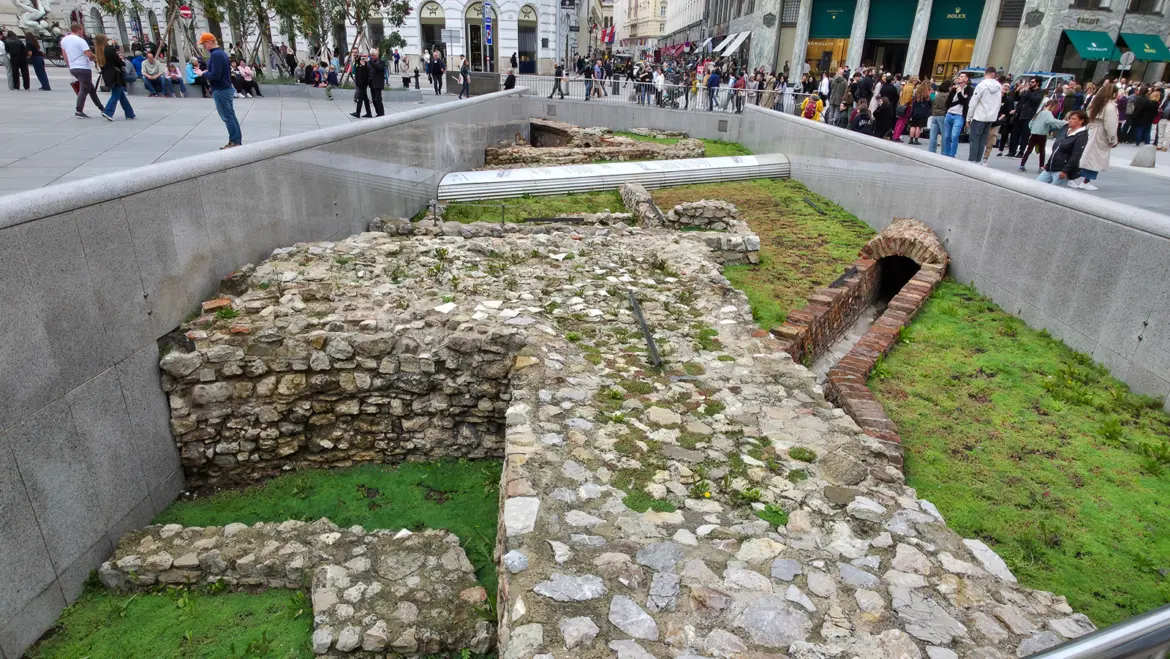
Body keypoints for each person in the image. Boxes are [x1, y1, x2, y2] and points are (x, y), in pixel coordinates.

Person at [1071, 81, 1118, 191]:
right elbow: (1111, 124)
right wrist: (1113, 139)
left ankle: (1073, 177)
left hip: (1091, 128)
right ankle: (1086, 180)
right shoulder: (1110, 106)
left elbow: (1087, 113)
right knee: (1095, 158)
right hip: (1101, 132)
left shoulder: (1095, 102)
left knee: (1084, 154)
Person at [198, 33, 241, 149]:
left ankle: (234, 142)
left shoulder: (216, 55)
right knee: (231, 115)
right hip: (225, 88)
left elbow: (215, 75)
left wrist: (203, 73)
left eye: (204, 44)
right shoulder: (220, 53)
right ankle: (236, 141)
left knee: (227, 117)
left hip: (221, 89)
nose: (203, 47)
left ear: (209, 42)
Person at [1037, 109, 1088, 186]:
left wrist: (1065, 171)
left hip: (1061, 170)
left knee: (1054, 192)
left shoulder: (1081, 135)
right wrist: (1047, 165)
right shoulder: (1067, 130)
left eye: (1074, 119)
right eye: (1070, 118)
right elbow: (1056, 149)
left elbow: (1076, 155)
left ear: (1081, 121)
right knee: (1036, 185)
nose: (1070, 121)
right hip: (1050, 167)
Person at [61, 24, 102, 117]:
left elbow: (64, 54)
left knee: (90, 88)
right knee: (84, 89)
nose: (82, 32)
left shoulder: (64, 40)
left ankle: (101, 107)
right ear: (79, 30)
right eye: (82, 30)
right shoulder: (80, 41)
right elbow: (88, 54)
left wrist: (70, 65)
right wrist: (96, 59)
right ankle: (79, 109)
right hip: (83, 67)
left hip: (73, 67)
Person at [95, 34, 134, 121]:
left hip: (107, 75)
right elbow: (118, 61)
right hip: (115, 75)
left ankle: (130, 113)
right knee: (115, 95)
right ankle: (108, 112)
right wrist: (122, 63)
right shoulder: (109, 50)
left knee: (121, 95)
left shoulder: (99, 51)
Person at [1019, 99, 1065, 172]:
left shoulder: (1039, 112)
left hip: (1034, 134)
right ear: (1052, 106)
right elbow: (1051, 121)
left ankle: (1022, 165)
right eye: (1055, 107)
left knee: (1028, 150)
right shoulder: (1048, 113)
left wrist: (1034, 129)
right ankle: (1041, 167)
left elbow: (1030, 124)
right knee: (1042, 151)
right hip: (1042, 135)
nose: (1054, 109)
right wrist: (1063, 122)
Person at [967, 67, 1001, 163]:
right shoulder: (999, 86)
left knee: (974, 138)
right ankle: (978, 160)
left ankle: (972, 159)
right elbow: (998, 103)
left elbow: (974, 102)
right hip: (990, 117)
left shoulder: (981, 85)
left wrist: (968, 117)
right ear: (994, 74)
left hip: (979, 115)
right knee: (983, 139)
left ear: (986, 74)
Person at [1008, 76, 1043, 158]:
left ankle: (1021, 152)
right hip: (1019, 115)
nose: (1030, 83)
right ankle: (1012, 151)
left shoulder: (1039, 92)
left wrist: (1027, 92)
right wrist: (1017, 90)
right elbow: (1017, 99)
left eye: (1033, 82)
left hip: (1028, 116)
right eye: (1030, 82)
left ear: (1037, 83)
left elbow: (1034, 100)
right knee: (1014, 134)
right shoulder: (1027, 91)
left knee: (1025, 135)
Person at [941, 73, 972, 157]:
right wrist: (953, 92)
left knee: (954, 136)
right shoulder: (954, 89)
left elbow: (965, 102)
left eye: (962, 76)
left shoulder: (969, 89)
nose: (959, 78)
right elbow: (947, 103)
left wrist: (959, 93)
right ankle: (945, 153)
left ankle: (952, 155)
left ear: (966, 79)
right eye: (959, 76)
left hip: (959, 116)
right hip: (949, 113)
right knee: (946, 136)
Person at [927, 80, 950, 153]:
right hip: (942, 115)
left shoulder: (937, 95)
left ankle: (931, 150)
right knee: (944, 135)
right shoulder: (948, 95)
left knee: (933, 135)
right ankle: (944, 152)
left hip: (935, 115)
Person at [907, 79, 931, 145]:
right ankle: (916, 140)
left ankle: (911, 139)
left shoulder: (917, 92)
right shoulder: (927, 94)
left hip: (915, 111)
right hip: (922, 112)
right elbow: (930, 103)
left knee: (913, 125)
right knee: (919, 127)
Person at [352, 51, 372, 117]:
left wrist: (365, 64)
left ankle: (358, 113)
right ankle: (369, 113)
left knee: (360, 98)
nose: (363, 59)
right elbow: (357, 71)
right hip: (360, 82)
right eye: (353, 52)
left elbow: (367, 71)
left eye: (364, 58)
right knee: (365, 98)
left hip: (363, 83)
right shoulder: (358, 62)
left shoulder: (367, 64)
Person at [367, 49, 385, 116]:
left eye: (373, 55)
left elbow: (379, 67)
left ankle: (381, 113)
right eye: (371, 55)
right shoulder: (370, 62)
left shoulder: (381, 62)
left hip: (378, 83)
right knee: (374, 100)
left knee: (378, 99)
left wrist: (370, 62)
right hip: (371, 83)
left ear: (376, 55)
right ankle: (378, 112)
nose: (372, 57)